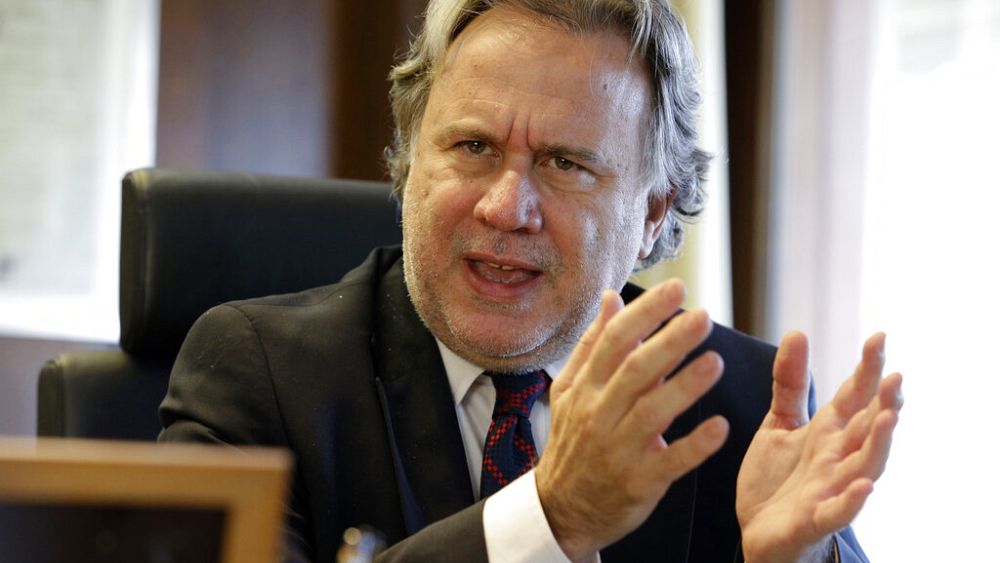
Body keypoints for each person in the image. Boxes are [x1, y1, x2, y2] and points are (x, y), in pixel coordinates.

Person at [159, 0, 904, 561]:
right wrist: (552, 517)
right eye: (473, 146)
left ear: (653, 213)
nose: (505, 207)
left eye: (565, 163)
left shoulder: (733, 397)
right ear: (411, 162)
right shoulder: (261, 376)